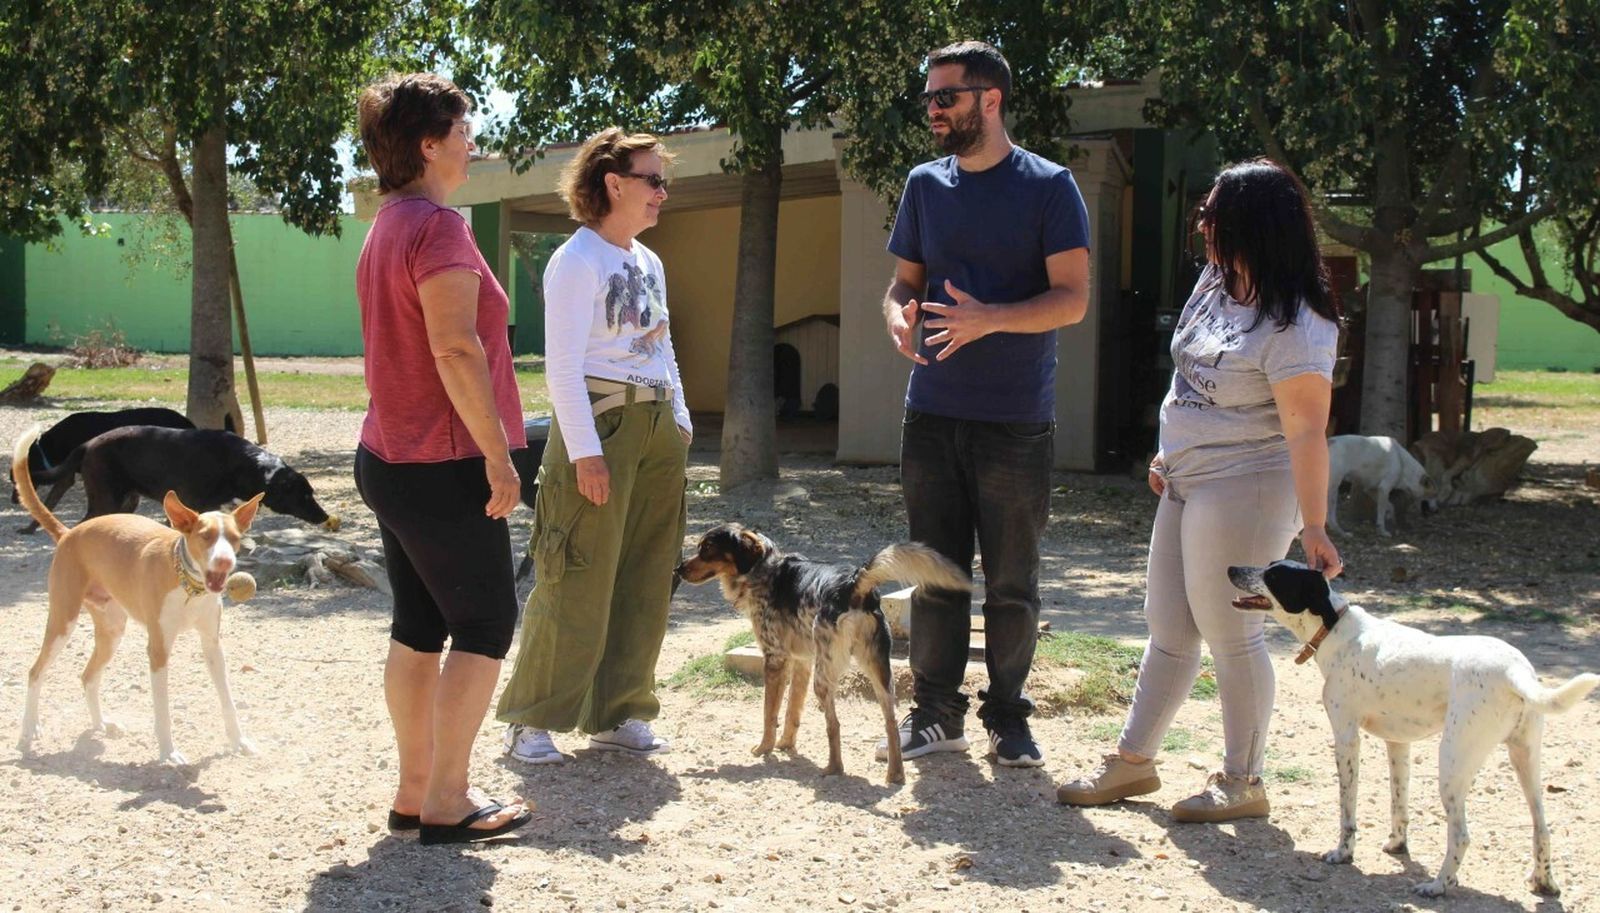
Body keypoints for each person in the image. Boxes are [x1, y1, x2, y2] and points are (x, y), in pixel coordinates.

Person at [1057, 158, 1344, 822]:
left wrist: (1315, 525)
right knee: (1170, 625)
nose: (1202, 225)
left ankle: (1244, 780)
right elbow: (1185, 367)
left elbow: (1307, 431)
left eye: (1213, 214)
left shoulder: (1297, 323)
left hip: (1247, 482)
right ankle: (1133, 765)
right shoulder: (1217, 282)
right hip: (1187, 477)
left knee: (1230, 633)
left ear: (1252, 224)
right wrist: (1168, 446)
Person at [878, 41, 1092, 768]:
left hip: (1014, 419)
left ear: (989, 100)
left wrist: (989, 318)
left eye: (946, 98)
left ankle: (1008, 716)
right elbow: (902, 282)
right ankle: (937, 712)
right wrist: (898, 313)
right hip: (931, 412)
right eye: (929, 98)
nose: (933, 112)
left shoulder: (1050, 187)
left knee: (1011, 582)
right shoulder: (923, 186)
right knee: (936, 571)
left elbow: (1072, 299)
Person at [353, 73, 532, 845]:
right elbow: (455, 348)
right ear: (429, 144)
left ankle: (414, 792)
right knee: (487, 619)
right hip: (442, 461)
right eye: (462, 128)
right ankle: (450, 798)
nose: (472, 140)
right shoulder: (440, 228)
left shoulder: (386, 224)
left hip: (389, 457)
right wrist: (499, 457)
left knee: (420, 624)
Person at [498, 128, 692, 764]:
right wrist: (583, 452)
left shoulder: (647, 260)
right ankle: (532, 720)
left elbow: (662, 344)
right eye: (653, 180)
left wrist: (682, 420)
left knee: (645, 574)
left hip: (656, 425)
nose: (663, 192)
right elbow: (560, 367)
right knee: (576, 571)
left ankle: (621, 711)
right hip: (600, 426)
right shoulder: (575, 259)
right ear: (614, 183)